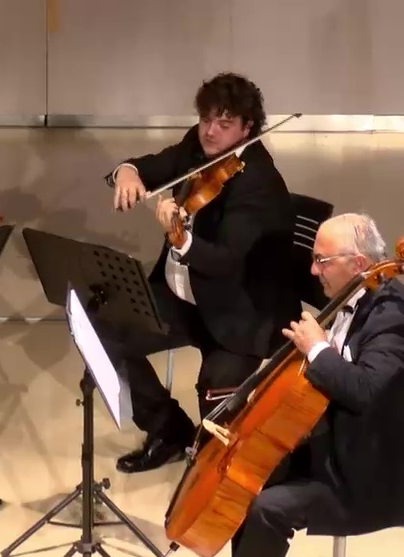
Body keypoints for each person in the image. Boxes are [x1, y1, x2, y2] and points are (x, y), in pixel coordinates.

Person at [187, 213, 404, 557]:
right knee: (249, 471)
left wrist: (318, 349)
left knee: (268, 506)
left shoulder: (395, 319)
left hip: (373, 476)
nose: (314, 271)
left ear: (358, 262)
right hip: (343, 445)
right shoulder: (357, 294)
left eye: (322, 262)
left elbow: (362, 390)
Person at [103, 72, 299, 474]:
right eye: (206, 119)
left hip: (238, 314)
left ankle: (217, 466)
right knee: (106, 332)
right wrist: (127, 171)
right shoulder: (198, 146)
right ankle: (169, 431)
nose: (210, 131)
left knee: (216, 402)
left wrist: (179, 238)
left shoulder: (258, 184)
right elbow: (153, 166)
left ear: (248, 128)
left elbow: (224, 260)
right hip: (186, 297)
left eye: (224, 125)